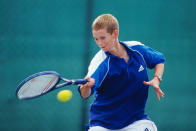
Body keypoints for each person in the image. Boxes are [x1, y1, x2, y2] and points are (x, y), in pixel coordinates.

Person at [78, 14, 165, 131]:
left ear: (115, 33)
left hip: (135, 120)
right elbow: (85, 94)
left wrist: (157, 78)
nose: (99, 43)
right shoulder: (100, 63)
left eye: (103, 38)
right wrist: (86, 86)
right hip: (103, 124)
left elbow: (159, 60)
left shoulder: (136, 49)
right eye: (96, 39)